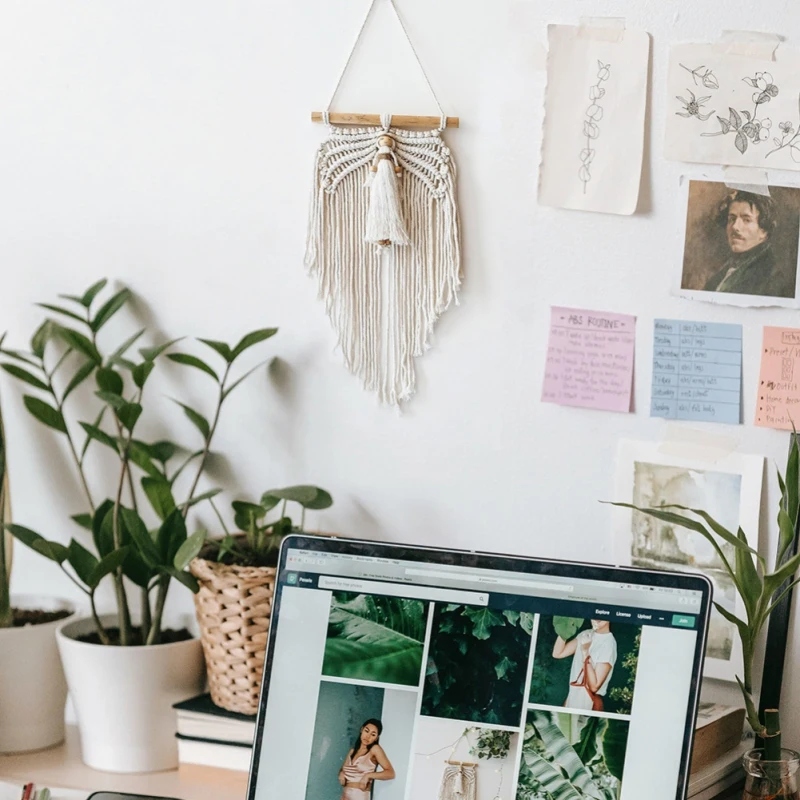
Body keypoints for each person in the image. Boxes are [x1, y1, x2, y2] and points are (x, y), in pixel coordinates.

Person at [702, 190, 787, 296]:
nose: (735, 227)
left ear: (764, 230)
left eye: (746, 220)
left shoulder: (771, 277)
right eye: (732, 219)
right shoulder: (722, 273)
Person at [552, 620, 617, 711]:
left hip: (588, 703)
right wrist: (564, 630)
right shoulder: (586, 634)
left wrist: (585, 652)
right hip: (573, 697)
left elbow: (594, 687)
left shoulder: (608, 643)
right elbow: (557, 653)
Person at [338, 719, 396, 800]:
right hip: (345, 795)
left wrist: (368, 775)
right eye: (366, 731)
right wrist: (341, 773)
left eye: (373, 734)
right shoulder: (352, 751)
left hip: (360, 796)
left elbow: (390, 773)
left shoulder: (375, 749)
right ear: (362, 730)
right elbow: (342, 770)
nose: (368, 736)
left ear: (376, 738)